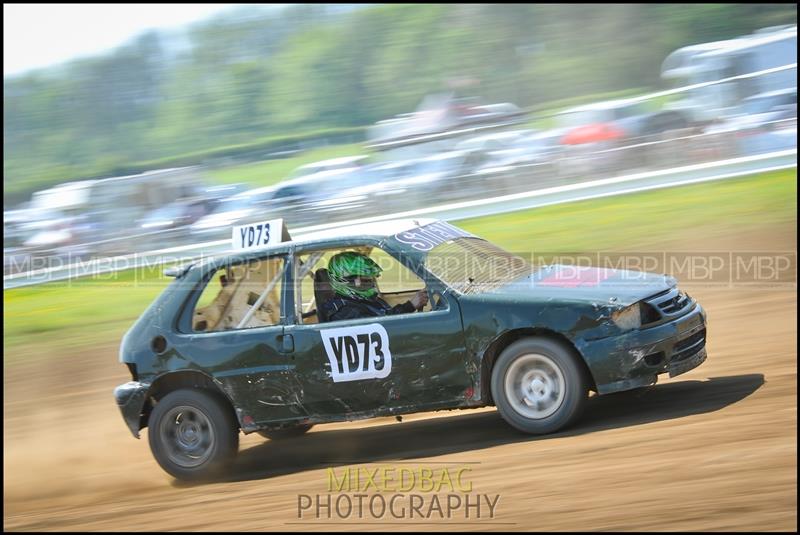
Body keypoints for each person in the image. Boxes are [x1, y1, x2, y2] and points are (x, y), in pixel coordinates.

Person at [320, 251, 428, 322]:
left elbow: (386, 316)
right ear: (344, 281)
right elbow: (382, 327)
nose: (370, 282)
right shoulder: (345, 312)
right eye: (364, 279)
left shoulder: (365, 301)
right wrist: (410, 305)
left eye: (370, 278)